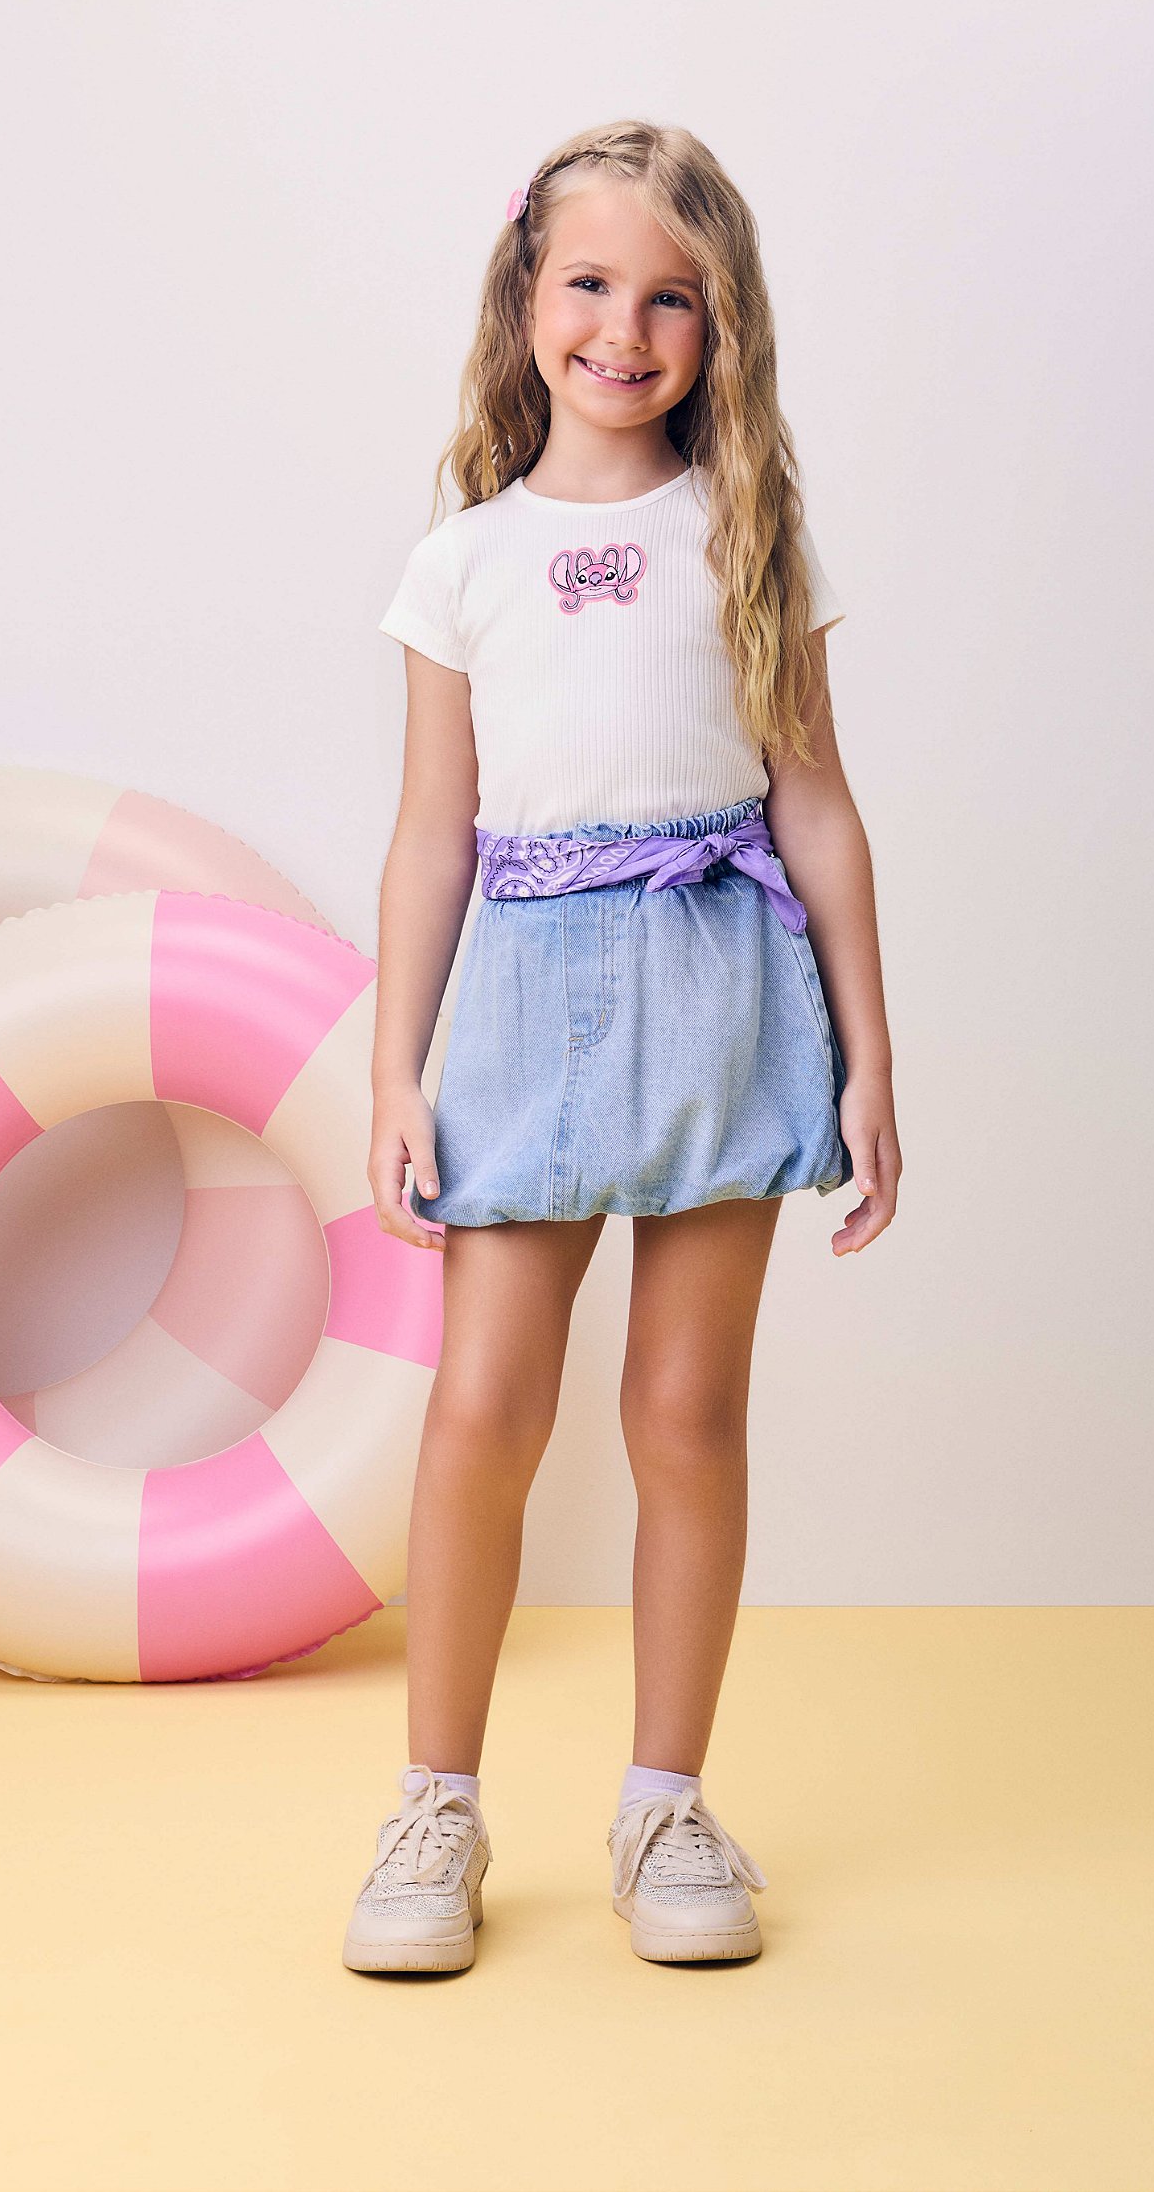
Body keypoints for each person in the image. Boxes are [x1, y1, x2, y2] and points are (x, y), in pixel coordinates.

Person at [344, 119, 900, 1976]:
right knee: (482, 1410)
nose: (625, 328)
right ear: (526, 296)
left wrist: (871, 1059)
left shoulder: (747, 534)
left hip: (725, 989)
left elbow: (818, 807)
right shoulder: (463, 564)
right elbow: (432, 834)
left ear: (721, 328)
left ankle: (666, 1801)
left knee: (683, 1408)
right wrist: (395, 1069)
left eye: (674, 298)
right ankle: (435, 1804)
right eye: (590, 283)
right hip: (522, 1005)